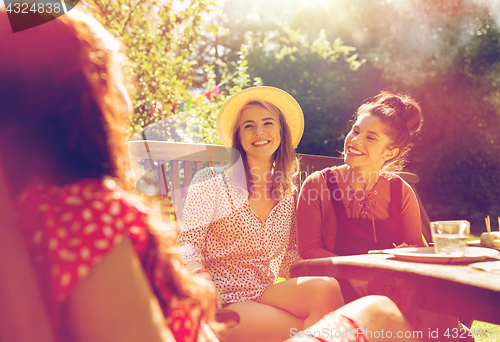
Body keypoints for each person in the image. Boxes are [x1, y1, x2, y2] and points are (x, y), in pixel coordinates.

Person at [0, 7, 216, 342]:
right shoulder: (80, 214)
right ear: (83, 91)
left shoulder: (25, 218)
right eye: (116, 74)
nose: (127, 99)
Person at [178, 87, 423, 342]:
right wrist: (201, 278)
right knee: (329, 329)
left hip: (265, 291)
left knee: (325, 287)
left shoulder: (285, 190)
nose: (259, 132)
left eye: (268, 123)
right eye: (248, 126)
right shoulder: (212, 182)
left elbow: (289, 257)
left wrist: (340, 271)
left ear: (281, 132)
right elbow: (187, 244)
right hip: (224, 297)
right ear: (238, 136)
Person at [297, 91, 424, 262]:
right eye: (355, 131)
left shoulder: (401, 191)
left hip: (387, 281)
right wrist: (355, 272)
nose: (355, 140)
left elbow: (415, 248)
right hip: (334, 282)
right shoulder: (318, 184)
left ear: (390, 152)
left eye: (370, 138)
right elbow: (309, 250)